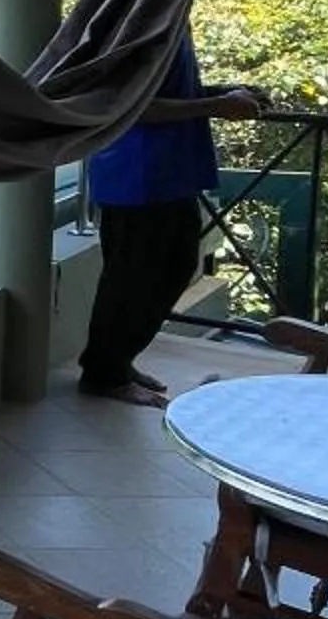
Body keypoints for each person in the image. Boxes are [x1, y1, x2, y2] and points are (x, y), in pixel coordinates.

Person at [79, 24, 262, 405]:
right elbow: (133, 106)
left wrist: (222, 95)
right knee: (131, 280)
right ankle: (104, 372)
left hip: (168, 175)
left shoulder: (167, 17)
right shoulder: (136, 23)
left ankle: (116, 361)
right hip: (136, 175)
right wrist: (216, 105)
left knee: (171, 270)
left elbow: (166, 94)